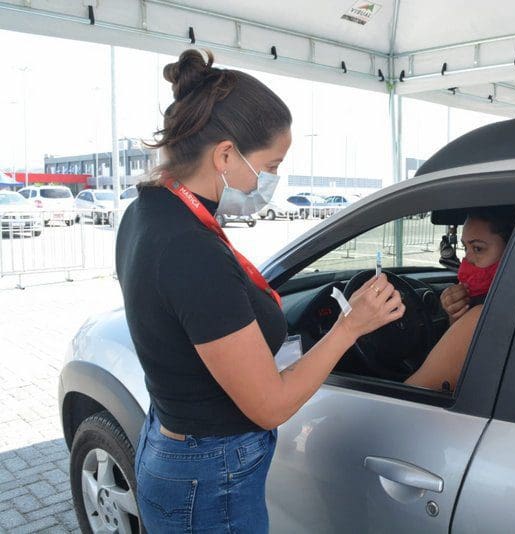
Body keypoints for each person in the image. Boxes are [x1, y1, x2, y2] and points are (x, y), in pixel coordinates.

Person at [115, 49, 405, 533]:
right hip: (208, 477)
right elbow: (269, 405)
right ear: (225, 155)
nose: (271, 180)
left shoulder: (149, 211)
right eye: (271, 165)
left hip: (173, 443)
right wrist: (351, 326)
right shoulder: (190, 249)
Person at [405, 206, 515, 391]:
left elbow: (412, 396)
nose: (467, 260)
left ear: (514, 249)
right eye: (465, 248)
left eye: (478, 248)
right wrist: (457, 316)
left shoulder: (482, 317)